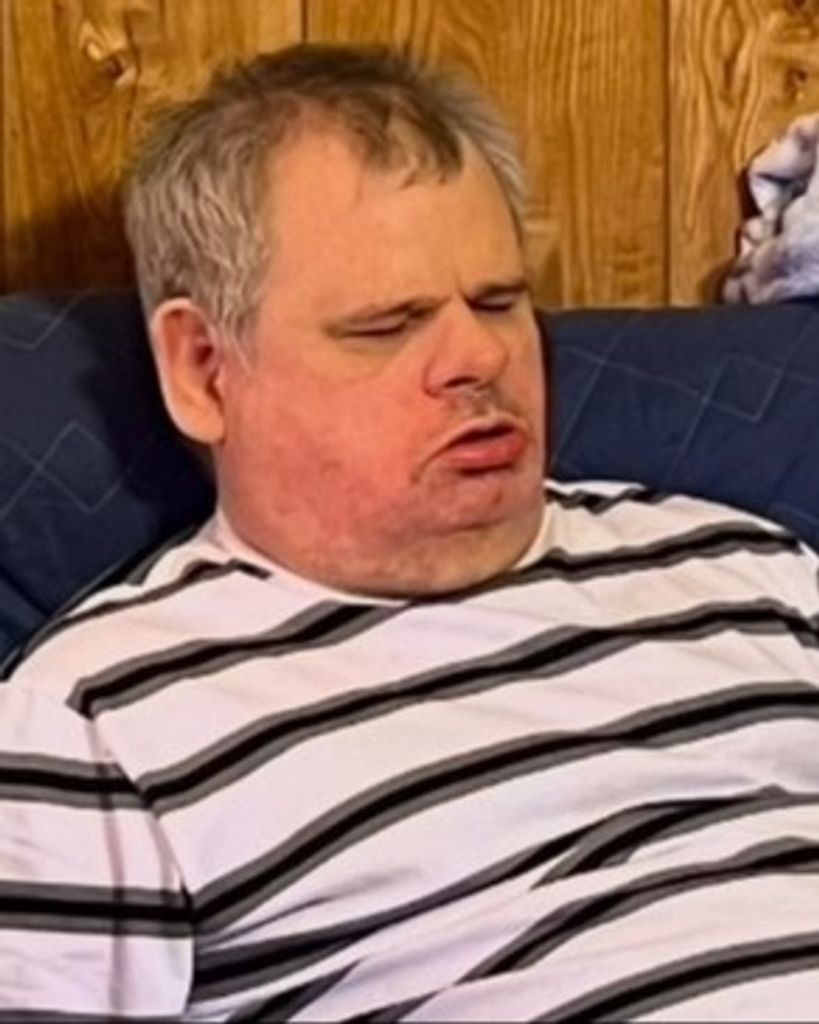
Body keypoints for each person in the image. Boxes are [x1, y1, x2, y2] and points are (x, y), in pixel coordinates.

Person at [1, 42, 818, 1022]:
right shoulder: (95, 721)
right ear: (204, 369)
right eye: (387, 324)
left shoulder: (746, 564)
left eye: (500, 301)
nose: (479, 355)